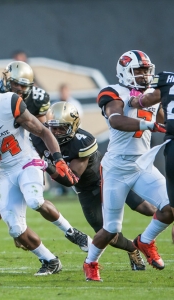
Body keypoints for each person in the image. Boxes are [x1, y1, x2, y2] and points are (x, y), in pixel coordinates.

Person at [0, 68, 91, 275]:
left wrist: (57, 160)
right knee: (15, 229)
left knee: (35, 200)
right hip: (4, 168)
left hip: (27, 159)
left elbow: (44, 131)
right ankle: (50, 260)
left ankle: (73, 233)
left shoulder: (9, 102)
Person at [31, 101, 157, 271]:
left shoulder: (83, 141)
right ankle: (132, 248)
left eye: (62, 128)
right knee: (106, 234)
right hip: (86, 191)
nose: (56, 132)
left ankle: (154, 233)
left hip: (109, 179)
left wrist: (47, 165)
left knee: (147, 208)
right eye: (53, 128)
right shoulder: (40, 138)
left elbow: (70, 180)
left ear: (74, 125)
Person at [83, 50, 173, 282]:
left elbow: (163, 120)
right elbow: (116, 120)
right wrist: (152, 126)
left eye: (146, 70)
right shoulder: (113, 92)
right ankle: (90, 262)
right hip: (116, 168)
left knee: (170, 208)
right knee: (111, 228)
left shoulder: (152, 94)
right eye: (139, 70)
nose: (144, 75)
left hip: (143, 164)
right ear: (124, 71)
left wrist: (162, 120)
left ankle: (145, 240)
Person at [128, 70, 174, 244]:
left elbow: (146, 101)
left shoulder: (166, 78)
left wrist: (135, 100)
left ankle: (145, 241)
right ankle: (144, 241)